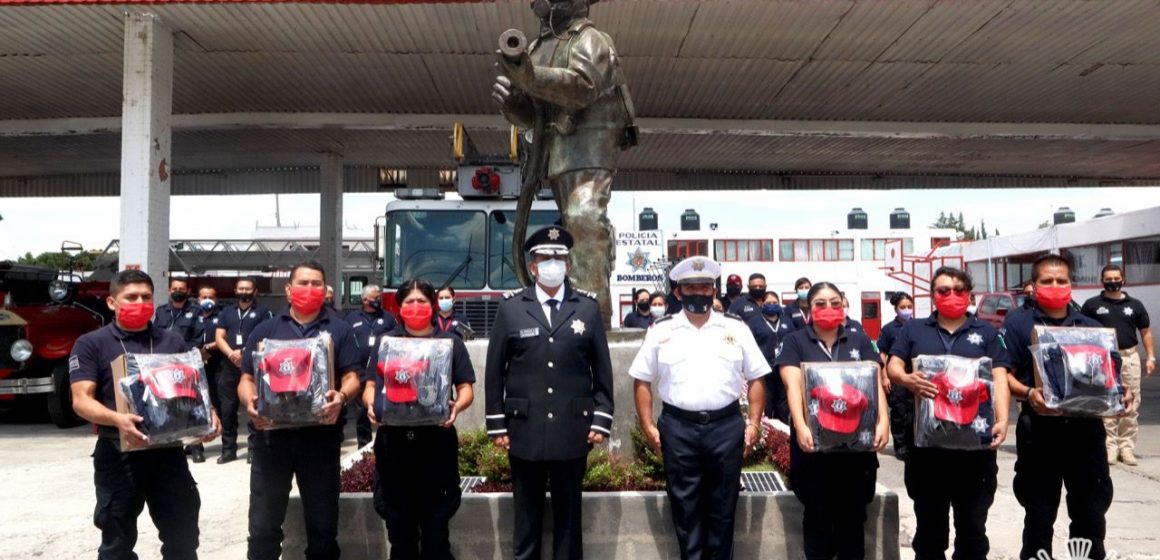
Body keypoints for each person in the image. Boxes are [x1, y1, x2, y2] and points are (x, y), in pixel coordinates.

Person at [69, 269, 221, 559]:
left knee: (183, 538)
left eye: (146, 297)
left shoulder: (172, 342)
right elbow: (81, 401)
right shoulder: (92, 343)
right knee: (117, 543)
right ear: (112, 302)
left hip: (168, 454)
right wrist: (117, 419)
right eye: (131, 297)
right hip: (119, 453)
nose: (139, 302)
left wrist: (209, 415)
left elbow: (191, 390)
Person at [484, 225, 614, 560]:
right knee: (526, 519)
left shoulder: (585, 307)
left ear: (568, 265)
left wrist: (601, 420)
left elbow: (601, 369)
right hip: (523, 429)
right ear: (532, 266)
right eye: (545, 258)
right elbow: (495, 369)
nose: (552, 264)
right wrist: (497, 424)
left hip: (573, 430)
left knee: (569, 521)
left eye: (559, 258)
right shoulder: (511, 308)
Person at [629, 255, 768, 560]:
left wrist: (754, 424)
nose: (699, 293)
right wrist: (648, 427)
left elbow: (757, 376)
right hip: (678, 429)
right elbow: (641, 380)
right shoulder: (661, 331)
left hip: (726, 427)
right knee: (686, 512)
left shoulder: (735, 328)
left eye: (705, 287)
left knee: (723, 510)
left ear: (714, 291)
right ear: (677, 292)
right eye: (690, 287)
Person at [1002, 253, 1135, 560]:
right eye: (1046, 281)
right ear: (1033, 286)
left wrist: (1121, 393)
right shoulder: (1018, 324)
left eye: (1061, 280)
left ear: (1071, 284)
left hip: (1085, 432)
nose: (1055, 286)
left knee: (1090, 510)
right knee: (1038, 512)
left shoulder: (1091, 328)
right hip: (1039, 429)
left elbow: (1110, 379)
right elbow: (1003, 375)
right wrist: (1028, 392)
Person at [239, 261, 363, 560]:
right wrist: (250, 401)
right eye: (304, 283)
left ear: (325, 289)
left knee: (322, 529)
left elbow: (353, 376)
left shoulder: (339, 330)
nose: (311, 289)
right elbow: (246, 378)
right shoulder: (266, 330)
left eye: (317, 284)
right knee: (263, 527)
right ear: (289, 289)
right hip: (271, 441)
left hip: (319, 440)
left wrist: (342, 396)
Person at [887, 267, 1011, 560]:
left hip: (974, 450)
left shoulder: (987, 332)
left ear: (969, 295)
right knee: (930, 531)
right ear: (933, 296)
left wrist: (1003, 419)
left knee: (972, 531)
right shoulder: (913, 330)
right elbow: (892, 367)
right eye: (944, 290)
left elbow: (1000, 377)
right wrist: (906, 379)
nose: (951, 295)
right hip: (927, 451)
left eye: (958, 290)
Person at [364, 279, 475, 559]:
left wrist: (456, 407)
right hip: (394, 445)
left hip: (436, 445)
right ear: (399, 307)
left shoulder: (450, 343)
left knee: (437, 534)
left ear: (433, 305)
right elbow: (370, 386)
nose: (416, 307)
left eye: (422, 301)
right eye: (409, 302)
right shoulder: (386, 343)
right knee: (400, 535)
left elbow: (466, 389)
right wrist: (370, 405)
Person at [777, 281, 889, 560]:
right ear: (809, 308)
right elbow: (793, 386)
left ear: (844, 305)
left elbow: (875, 382)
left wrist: (883, 422)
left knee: (853, 524)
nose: (829, 308)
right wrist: (801, 426)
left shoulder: (859, 338)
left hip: (855, 451)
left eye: (835, 303)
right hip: (813, 451)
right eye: (820, 304)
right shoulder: (796, 341)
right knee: (818, 522)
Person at [1081, 264, 1154, 466]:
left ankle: (1127, 447)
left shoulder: (1135, 305)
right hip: (1102, 358)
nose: (1113, 282)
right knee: (1106, 401)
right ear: (1102, 281)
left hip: (1129, 357)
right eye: (1108, 278)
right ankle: (1110, 447)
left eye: (1116, 278)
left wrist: (1150, 357)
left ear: (1123, 280)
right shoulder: (1092, 305)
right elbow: (1084, 332)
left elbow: (1145, 332)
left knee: (1131, 402)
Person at [214, 277, 273, 464]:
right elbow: (219, 336)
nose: (244, 291)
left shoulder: (264, 311)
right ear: (235, 290)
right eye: (241, 288)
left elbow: (266, 338)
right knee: (227, 409)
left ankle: (253, 449)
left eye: (248, 289)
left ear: (255, 292)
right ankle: (228, 449)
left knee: (254, 406)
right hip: (229, 366)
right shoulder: (226, 312)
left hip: (252, 366)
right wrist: (232, 354)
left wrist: (245, 353)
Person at [344, 284, 397, 448]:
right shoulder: (352, 318)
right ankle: (364, 444)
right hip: (360, 369)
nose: (378, 300)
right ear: (365, 299)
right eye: (376, 298)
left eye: (379, 297)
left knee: (385, 403)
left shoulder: (388, 318)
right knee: (362, 409)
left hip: (383, 370)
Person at [745, 290, 796, 423]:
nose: (772, 305)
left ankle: (784, 437)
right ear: (762, 304)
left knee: (783, 407)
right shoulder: (755, 322)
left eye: (775, 302)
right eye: (768, 303)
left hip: (783, 368)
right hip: (764, 370)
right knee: (766, 406)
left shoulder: (787, 321)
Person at [186, 285, 223, 464]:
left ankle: (219, 438)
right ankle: (196, 447)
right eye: (203, 296)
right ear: (197, 298)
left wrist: (209, 347)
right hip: (193, 364)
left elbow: (226, 336)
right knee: (194, 403)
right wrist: (197, 351)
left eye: (211, 296)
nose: (207, 299)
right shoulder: (191, 315)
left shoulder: (222, 316)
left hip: (216, 364)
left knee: (215, 403)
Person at [878, 292, 915, 460]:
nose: (906, 310)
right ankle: (900, 445)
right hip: (896, 375)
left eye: (909, 307)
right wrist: (884, 377)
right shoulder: (888, 329)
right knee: (899, 411)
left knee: (914, 410)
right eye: (903, 307)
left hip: (914, 374)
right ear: (896, 309)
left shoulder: (918, 326)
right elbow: (882, 354)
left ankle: (913, 442)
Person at [153, 277, 199, 347]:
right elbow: (155, 333)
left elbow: (197, 339)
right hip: (162, 352)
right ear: (169, 290)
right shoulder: (161, 310)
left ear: (188, 291)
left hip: (185, 354)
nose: (178, 291)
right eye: (174, 289)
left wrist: (180, 350)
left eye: (181, 289)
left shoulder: (196, 311)